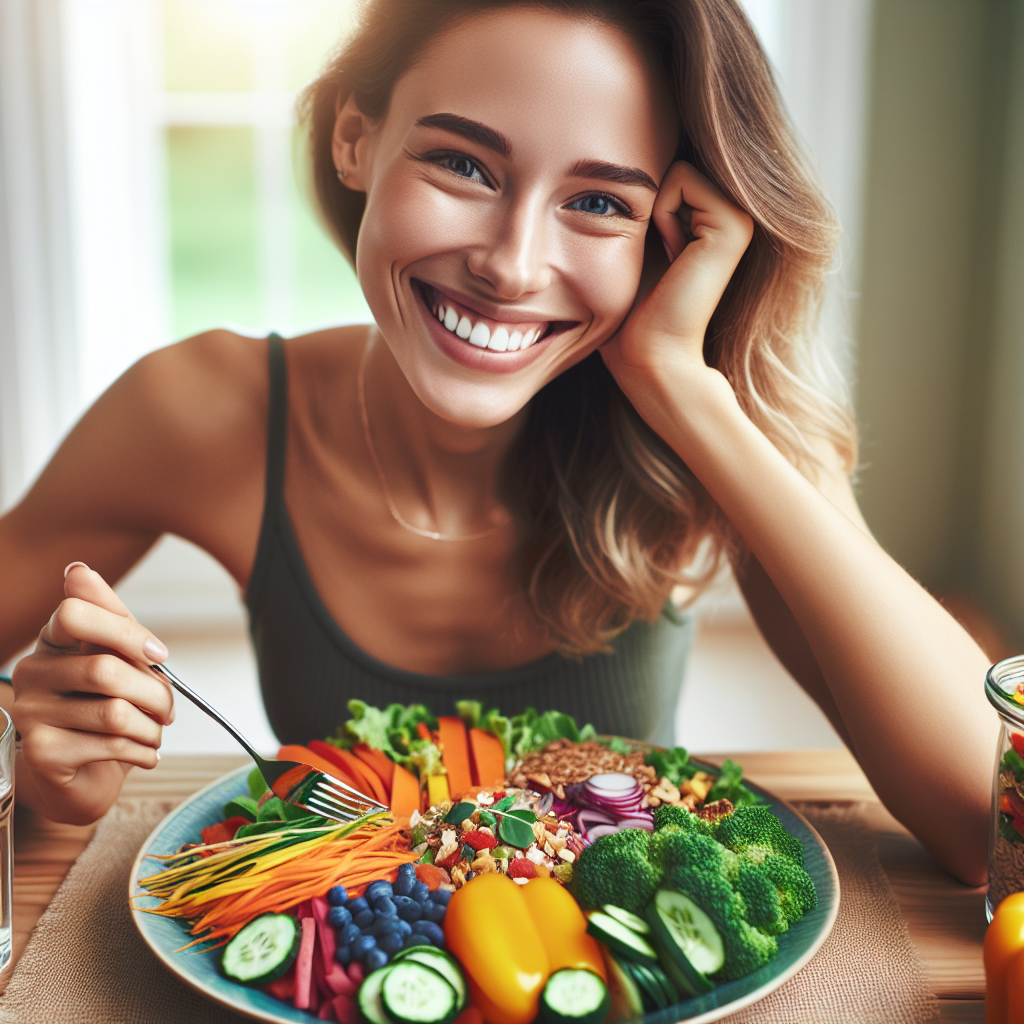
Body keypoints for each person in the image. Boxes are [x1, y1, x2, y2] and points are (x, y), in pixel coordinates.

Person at [0, 0, 993, 884]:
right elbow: (26, 711)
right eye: (463, 163)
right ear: (356, 136)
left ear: (671, 236)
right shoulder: (202, 410)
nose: (512, 265)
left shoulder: (711, 414)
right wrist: (32, 752)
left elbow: (992, 826)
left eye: (599, 202)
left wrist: (683, 393)